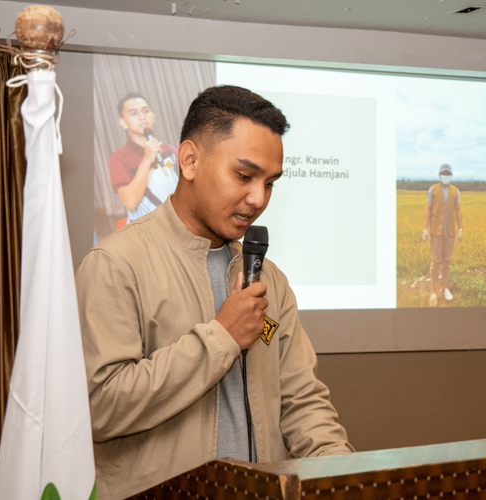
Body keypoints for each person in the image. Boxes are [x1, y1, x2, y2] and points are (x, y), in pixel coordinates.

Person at [77, 85, 353, 500]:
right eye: (244, 176)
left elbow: (302, 401)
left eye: (270, 183)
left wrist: (346, 478)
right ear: (189, 160)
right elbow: (100, 407)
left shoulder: (269, 279)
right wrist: (221, 337)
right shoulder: (116, 264)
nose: (258, 199)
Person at [108, 92, 179, 225]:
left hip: (177, 225)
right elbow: (130, 201)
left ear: (153, 116)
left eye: (145, 111)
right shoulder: (118, 157)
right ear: (123, 122)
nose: (142, 117)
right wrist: (147, 160)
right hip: (146, 232)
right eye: (134, 113)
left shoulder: (169, 150)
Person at [422, 163, 463, 306]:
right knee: (435, 262)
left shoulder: (455, 191)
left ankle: (444, 287)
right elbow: (428, 209)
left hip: (450, 232)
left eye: (448, 173)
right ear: (439, 175)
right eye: (444, 173)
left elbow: (458, 211)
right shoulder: (432, 190)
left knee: (446, 262)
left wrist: (460, 230)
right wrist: (424, 229)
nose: (446, 176)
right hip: (436, 232)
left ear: (451, 175)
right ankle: (434, 291)